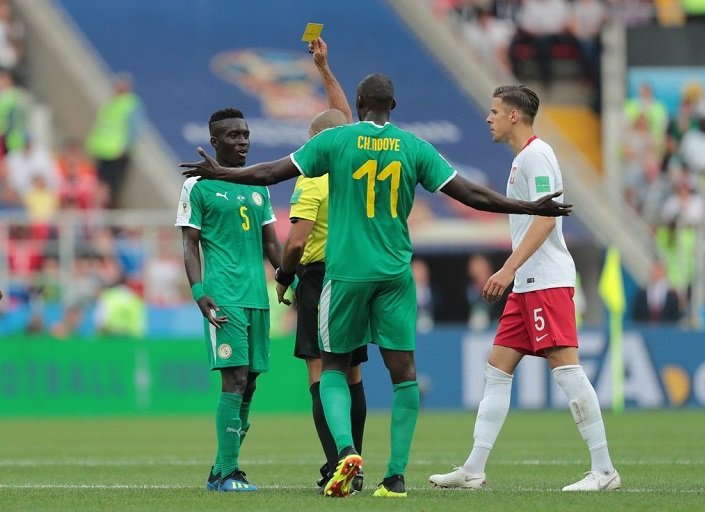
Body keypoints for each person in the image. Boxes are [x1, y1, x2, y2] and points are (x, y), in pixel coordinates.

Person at [180, 74, 571, 499]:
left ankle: (345, 452)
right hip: (396, 274)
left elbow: (271, 173)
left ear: (360, 102)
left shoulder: (336, 141)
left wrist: (221, 174)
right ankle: (396, 476)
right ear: (394, 105)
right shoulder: (414, 146)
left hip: (346, 274)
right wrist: (527, 206)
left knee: (331, 366)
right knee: (403, 374)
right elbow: (472, 195)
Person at [429, 84, 620, 492]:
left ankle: (604, 470)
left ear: (514, 115)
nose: (488, 118)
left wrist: (506, 270)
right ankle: (474, 468)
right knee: (496, 371)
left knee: (567, 371)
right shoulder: (523, 159)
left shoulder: (537, 156)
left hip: (545, 280)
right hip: (528, 283)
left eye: (495, 111)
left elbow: (546, 219)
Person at [273, 37, 368, 493]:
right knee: (352, 372)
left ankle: (337, 462)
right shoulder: (353, 163)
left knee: (319, 371)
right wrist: (325, 69)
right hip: (355, 272)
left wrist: (284, 275)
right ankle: (356, 459)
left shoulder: (314, 174)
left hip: (318, 276)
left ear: (315, 141)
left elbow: (297, 239)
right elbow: (341, 118)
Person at [176, 107, 283, 492]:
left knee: (250, 384)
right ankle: (228, 472)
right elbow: (189, 244)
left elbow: (271, 242)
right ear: (215, 142)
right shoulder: (198, 186)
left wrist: (293, 278)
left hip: (258, 297)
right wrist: (199, 291)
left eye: (246, 134)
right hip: (224, 296)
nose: (242, 142)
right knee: (234, 380)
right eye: (233, 136)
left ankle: (221, 468)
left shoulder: (259, 185)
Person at [86, 72, 145, 208]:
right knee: (101, 186)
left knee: (113, 187)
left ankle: (110, 212)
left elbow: (135, 128)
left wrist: (127, 147)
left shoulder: (130, 103)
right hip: (104, 150)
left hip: (117, 152)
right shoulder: (112, 103)